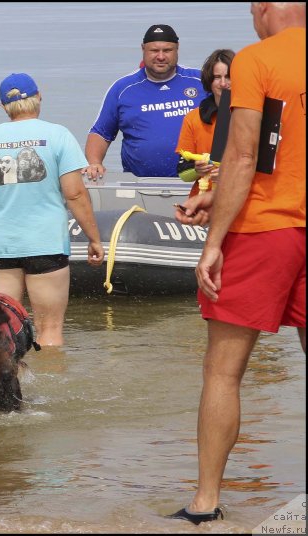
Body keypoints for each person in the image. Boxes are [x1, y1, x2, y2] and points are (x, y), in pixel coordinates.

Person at [170, 2, 305, 525]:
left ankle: (205, 503)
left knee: (223, 372)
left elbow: (247, 155)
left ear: (265, 7)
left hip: (266, 227)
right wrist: (216, 193)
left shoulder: (256, 59)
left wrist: (213, 240)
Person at [0, 73, 105, 346]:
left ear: (3, 106)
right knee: (49, 329)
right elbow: (75, 193)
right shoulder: (58, 135)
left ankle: (10, 385)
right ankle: (51, 385)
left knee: (4, 331)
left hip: (2, 246)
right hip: (46, 243)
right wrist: (94, 239)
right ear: (38, 97)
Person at [83, 24, 207, 180]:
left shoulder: (201, 81)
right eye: (154, 50)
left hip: (196, 180)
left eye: (167, 50)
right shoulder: (122, 88)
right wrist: (95, 163)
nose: (161, 56)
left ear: (177, 48)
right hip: (139, 183)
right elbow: (100, 133)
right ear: (143, 49)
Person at [174, 48, 235, 194]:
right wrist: (197, 169)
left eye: (228, 77)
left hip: (241, 199)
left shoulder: (254, 116)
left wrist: (232, 173)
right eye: (217, 77)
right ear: (209, 80)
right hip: (202, 199)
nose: (223, 83)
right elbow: (183, 174)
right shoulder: (193, 118)